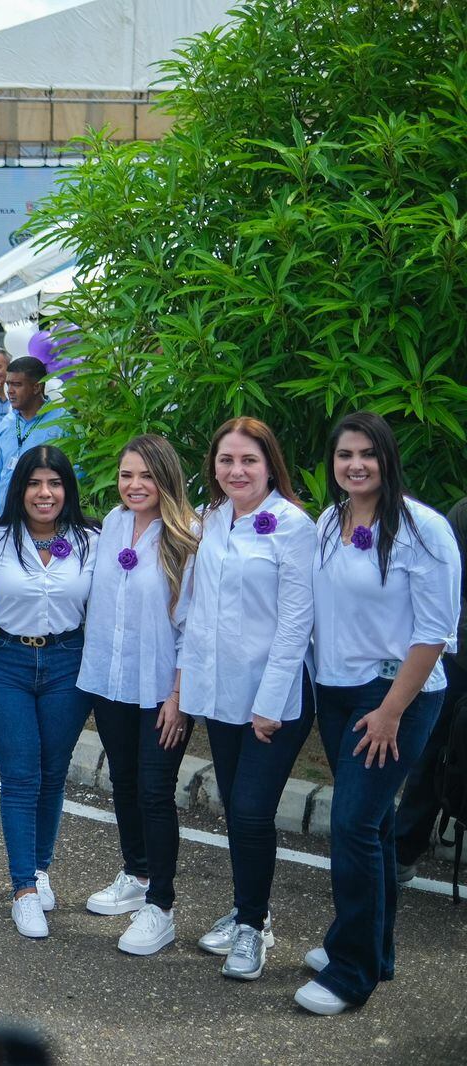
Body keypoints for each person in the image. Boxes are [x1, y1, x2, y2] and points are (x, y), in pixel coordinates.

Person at [300, 412, 459, 1015]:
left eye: (367, 453)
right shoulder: (327, 523)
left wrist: (393, 710)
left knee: (354, 825)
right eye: (344, 455)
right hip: (339, 692)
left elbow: (435, 633)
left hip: (397, 695)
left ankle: (352, 972)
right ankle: (375, 948)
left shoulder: (424, 530)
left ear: (387, 458)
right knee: (376, 825)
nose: (356, 465)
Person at [179, 417, 316, 981]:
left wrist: (270, 700)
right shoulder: (210, 520)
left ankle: (252, 928)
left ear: (269, 465)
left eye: (249, 461)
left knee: (253, 811)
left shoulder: (291, 525)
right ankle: (245, 906)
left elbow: (295, 623)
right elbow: (194, 610)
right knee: (236, 810)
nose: (237, 471)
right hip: (220, 694)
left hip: (273, 701)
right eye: (226, 461)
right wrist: (187, 684)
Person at [76, 435, 200, 955]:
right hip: (112, 680)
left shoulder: (189, 537)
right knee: (123, 781)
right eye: (127, 475)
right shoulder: (113, 524)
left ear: (166, 478)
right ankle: (137, 873)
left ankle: (162, 907)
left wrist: (176, 695)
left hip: (161, 689)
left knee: (154, 789)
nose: (134, 485)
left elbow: (194, 624)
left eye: (146, 476)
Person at [0, 444, 99, 939]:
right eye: (34, 483)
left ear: (67, 489)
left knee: (54, 774)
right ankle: (23, 889)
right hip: (6, 662)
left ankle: (41, 868)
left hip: (67, 663)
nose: (44, 493)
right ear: (20, 489)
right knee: (21, 775)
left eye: (54, 483)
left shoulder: (91, 539)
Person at [395, 496, 467, 881]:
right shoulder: (462, 514)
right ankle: (404, 850)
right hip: (460, 661)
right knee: (432, 756)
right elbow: (449, 594)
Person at [0, 356, 66, 503]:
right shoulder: (7, 422)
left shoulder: (63, 421)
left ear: (36, 387)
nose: (10, 391)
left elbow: (76, 474)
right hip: (3, 515)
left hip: (42, 514)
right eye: (8, 384)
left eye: (17, 384)